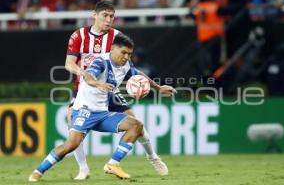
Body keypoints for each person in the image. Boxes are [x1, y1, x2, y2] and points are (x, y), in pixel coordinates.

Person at [28, 34, 176, 182]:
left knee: (136, 125)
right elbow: (88, 76)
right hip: (84, 110)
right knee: (71, 144)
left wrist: (158, 87)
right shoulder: (101, 62)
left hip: (103, 113)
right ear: (112, 49)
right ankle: (38, 171)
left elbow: (138, 74)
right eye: (123, 52)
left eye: (129, 54)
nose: (126, 57)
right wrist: (98, 84)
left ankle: (113, 164)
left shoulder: (126, 64)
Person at [65, 0, 171, 180]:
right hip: (85, 91)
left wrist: (157, 87)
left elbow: (130, 68)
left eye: (111, 16)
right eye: (105, 15)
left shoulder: (117, 36)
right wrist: (86, 75)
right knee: (71, 124)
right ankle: (83, 169)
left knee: (136, 124)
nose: (108, 20)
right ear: (95, 15)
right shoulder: (79, 35)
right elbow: (69, 64)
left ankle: (152, 156)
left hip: (110, 90)